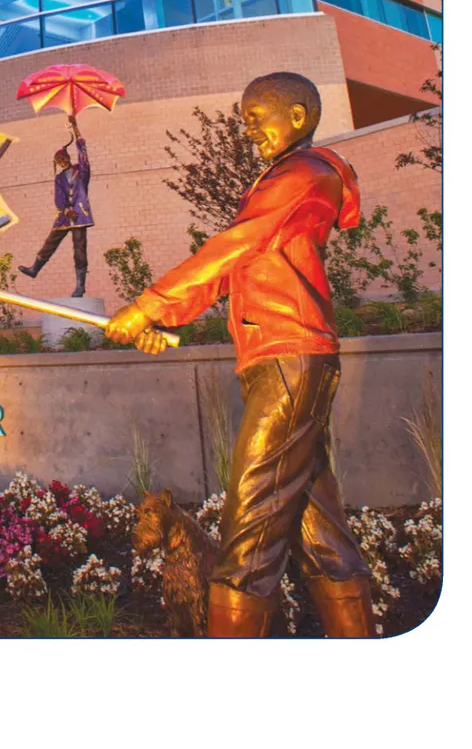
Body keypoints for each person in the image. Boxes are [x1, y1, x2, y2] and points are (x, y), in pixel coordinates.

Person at [106, 72, 376, 637]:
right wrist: (159, 319)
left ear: (297, 116)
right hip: (279, 358)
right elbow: (234, 267)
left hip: (289, 359)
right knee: (319, 531)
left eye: (256, 117)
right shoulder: (285, 180)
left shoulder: (302, 174)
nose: (248, 129)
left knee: (248, 528)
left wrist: (150, 304)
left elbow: (234, 245)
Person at [19, 115, 93, 298]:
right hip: (65, 216)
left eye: (63, 158)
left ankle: (80, 286)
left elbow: (82, 149)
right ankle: (35, 268)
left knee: (79, 248)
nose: (62, 161)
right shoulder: (59, 178)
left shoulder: (81, 170)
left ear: (68, 157)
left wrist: (75, 127)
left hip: (80, 216)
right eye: (59, 160)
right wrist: (65, 210)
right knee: (51, 241)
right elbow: (59, 197)